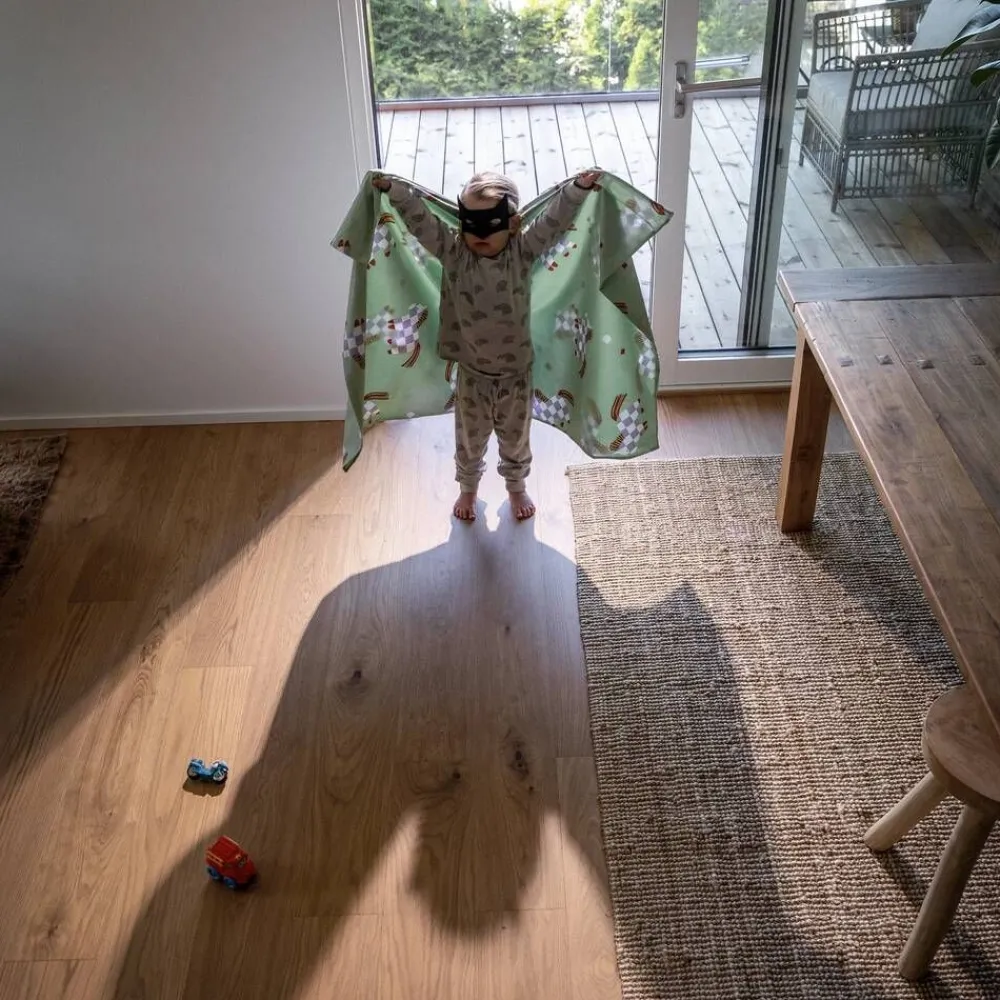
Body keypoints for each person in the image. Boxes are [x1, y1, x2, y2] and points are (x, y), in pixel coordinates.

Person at [372, 168, 601, 521]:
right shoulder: (454, 254)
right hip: (472, 374)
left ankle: (516, 486)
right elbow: (423, 223)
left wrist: (577, 190)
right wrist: (395, 191)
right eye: (470, 223)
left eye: (490, 223)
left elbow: (552, 223)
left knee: (515, 438)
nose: (478, 233)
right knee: (469, 438)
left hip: (515, 374)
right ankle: (468, 488)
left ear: (513, 225)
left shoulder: (522, 254)